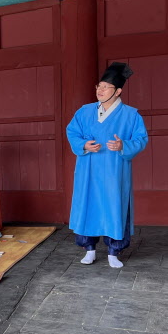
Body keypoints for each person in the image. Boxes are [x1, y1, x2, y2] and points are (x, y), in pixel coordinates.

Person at [67, 62, 148, 268]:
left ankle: (114, 251)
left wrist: (123, 145)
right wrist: (83, 144)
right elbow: (72, 132)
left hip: (114, 171)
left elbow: (141, 139)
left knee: (115, 206)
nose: (100, 90)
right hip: (88, 169)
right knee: (88, 204)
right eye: (99, 86)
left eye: (105, 87)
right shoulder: (84, 111)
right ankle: (89, 249)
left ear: (118, 91)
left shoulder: (131, 115)